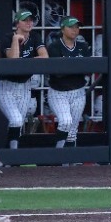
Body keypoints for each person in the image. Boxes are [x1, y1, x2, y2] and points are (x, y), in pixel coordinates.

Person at [41, 15, 93, 146]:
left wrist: (70, 68)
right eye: (71, 27)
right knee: (65, 122)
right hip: (59, 92)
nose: (75, 30)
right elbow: (58, 73)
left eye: (77, 27)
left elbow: (89, 70)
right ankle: (59, 156)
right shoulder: (54, 46)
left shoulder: (83, 46)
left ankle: (69, 163)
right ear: (63, 29)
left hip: (78, 92)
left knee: (72, 129)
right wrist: (77, 68)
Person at [0, 9, 36, 149]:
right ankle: (12, 157)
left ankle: (10, 159)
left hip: (24, 86)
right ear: (17, 23)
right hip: (6, 86)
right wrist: (16, 40)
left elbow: (45, 57)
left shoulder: (35, 38)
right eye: (25, 20)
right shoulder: (7, 37)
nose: (29, 22)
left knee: (17, 123)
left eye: (30, 20)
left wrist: (29, 60)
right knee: (16, 120)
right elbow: (13, 59)